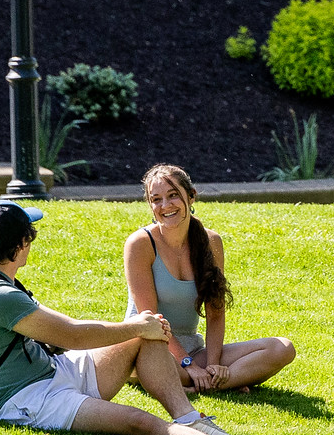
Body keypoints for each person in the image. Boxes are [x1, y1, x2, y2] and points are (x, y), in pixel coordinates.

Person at [0, 198, 281, 435]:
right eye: (29, 236)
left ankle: (190, 418)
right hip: (27, 399)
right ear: (21, 243)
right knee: (138, 422)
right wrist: (136, 324)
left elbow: (67, 334)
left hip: (52, 372)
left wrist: (141, 329)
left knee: (146, 334)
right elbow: (72, 335)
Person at [125, 164, 297, 394]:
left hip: (193, 349)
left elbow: (215, 312)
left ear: (191, 196)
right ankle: (217, 382)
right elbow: (152, 321)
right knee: (153, 364)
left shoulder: (210, 242)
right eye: (156, 199)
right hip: (150, 347)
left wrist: (213, 364)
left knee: (282, 348)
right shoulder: (140, 244)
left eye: (173, 195)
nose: (165, 206)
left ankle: (205, 383)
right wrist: (189, 365)